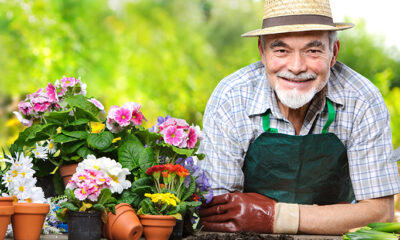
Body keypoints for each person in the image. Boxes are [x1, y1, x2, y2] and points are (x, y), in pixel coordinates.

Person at [198, 0, 400, 235]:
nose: (296, 67)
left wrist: (275, 216)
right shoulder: (231, 99)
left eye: (313, 51)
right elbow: (219, 214)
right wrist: (338, 216)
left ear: (333, 53)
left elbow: (379, 214)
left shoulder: (362, 101)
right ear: (262, 52)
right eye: (281, 50)